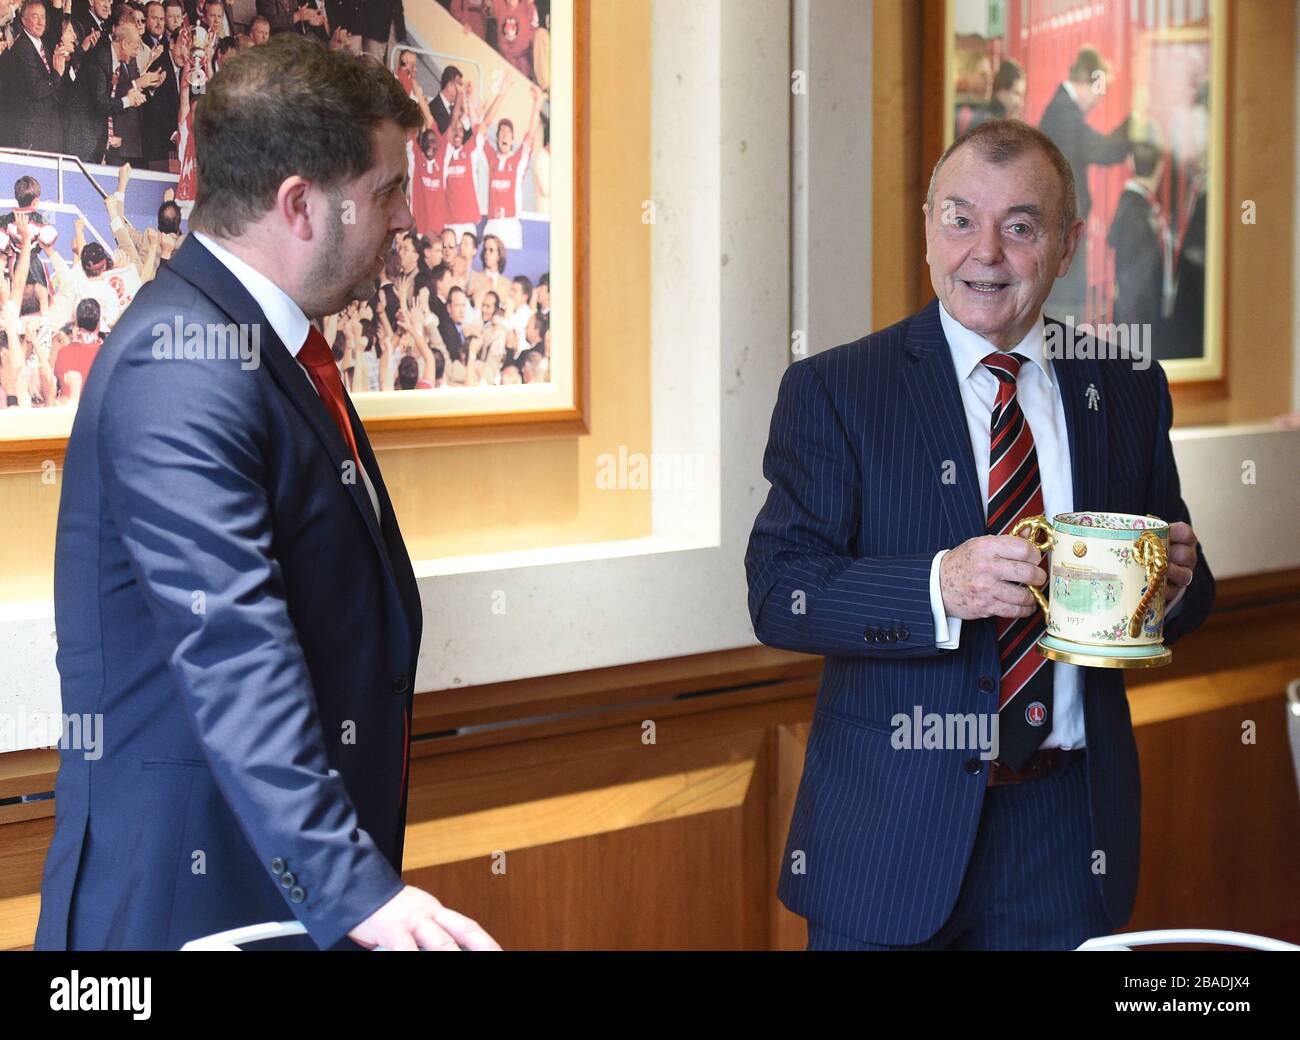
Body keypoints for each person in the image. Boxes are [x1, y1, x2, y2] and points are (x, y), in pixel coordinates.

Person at [36, 33, 501, 953]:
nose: (406, 221)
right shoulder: (183, 367)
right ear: (300, 206)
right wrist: (353, 888)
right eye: (385, 193)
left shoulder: (260, 344)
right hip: (189, 907)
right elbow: (232, 645)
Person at [745, 119, 1214, 951]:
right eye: (960, 219)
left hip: (1069, 835)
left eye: (1021, 226)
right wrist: (939, 587)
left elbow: (1187, 585)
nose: (985, 253)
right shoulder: (838, 390)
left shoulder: (1129, 385)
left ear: (1067, 246)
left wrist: (1173, 588)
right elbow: (780, 591)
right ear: (928, 229)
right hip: (887, 838)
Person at [1038, 46, 1131, 322]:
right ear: (1085, 82)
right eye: (1099, 92)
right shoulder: (1064, 114)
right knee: (1066, 322)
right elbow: (1103, 150)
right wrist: (1135, 122)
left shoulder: (1062, 109)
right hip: (1062, 241)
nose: (1099, 101)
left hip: (1061, 236)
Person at [1107, 139, 1172, 346]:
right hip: (1139, 317)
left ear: (1131, 163)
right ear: (1160, 168)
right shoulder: (1138, 210)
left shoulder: (1131, 204)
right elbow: (1139, 277)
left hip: (1132, 315)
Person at [482, 81, 541, 250]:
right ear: (498, 138)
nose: (504, 135)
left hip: (510, 226)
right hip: (491, 224)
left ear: (513, 139)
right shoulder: (491, 157)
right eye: (501, 132)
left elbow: (531, 132)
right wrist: (502, 92)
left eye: (508, 132)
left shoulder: (518, 160)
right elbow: (481, 129)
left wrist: (537, 103)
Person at [6, 0, 70, 151]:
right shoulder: (22, 48)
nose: (41, 22)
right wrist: (57, 74)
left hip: (49, 132)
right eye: (35, 17)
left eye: (43, 17)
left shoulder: (43, 45)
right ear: (23, 20)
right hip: (32, 135)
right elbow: (36, 89)